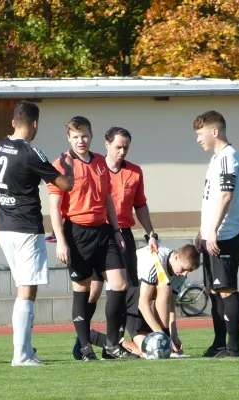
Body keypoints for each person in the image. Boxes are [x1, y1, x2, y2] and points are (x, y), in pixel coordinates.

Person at [0, 101, 74, 366]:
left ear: (13, 122)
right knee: (27, 291)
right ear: (35, 124)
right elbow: (65, 184)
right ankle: (21, 355)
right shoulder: (31, 153)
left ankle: (26, 348)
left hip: (4, 228)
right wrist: (68, 164)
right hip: (26, 228)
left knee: (24, 287)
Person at [48, 116, 138, 360]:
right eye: (76, 137)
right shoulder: (61, 165)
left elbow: (108, 198)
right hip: (77, 233)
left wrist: (117, 230)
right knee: (83, 289)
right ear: (69, 138)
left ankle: (111, 345)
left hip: (104, 230)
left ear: (91, 135)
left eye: (85, 135)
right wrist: (61, 241)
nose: (81, 141)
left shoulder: (100, 161)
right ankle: (85, 347)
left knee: (119, 285)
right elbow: (54, 207)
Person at [72, 126, 159, 359]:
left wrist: (151, 233)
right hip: (97, 233)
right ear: (107, 144)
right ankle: (83, 339)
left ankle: (115, 342)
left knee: (125, 289)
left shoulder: (135, 172)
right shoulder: (96, 168)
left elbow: (140, 205)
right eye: (118, 146)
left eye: (126, 147)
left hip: (123, 235)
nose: (122, 151)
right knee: (93, 290)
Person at [81, 244, 199, 358]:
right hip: (124, 294)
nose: (184, 274)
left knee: (145, 351)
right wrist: (164, 336)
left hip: (139, 297)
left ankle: (92, 336)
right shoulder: (155, 260)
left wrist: (174, 335)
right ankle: (163, 334)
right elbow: (143, 303)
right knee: (165, 287)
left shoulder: (180, 273)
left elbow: (171, 306)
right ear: (176, 257)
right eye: (184, 269)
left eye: (189, 271)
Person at [193, 110, 239, 358]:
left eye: (200, 134)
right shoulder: (216, 159)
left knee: (226, 289)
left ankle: (233, 348)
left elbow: (226, 196)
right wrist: (202, 230)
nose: (198, 139)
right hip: (212, 234)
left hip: (224, 235)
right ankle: (219, 343)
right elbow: (212, 198)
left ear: (215, 131)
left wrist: (212, 231)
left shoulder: (227, 157)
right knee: (214, 291)